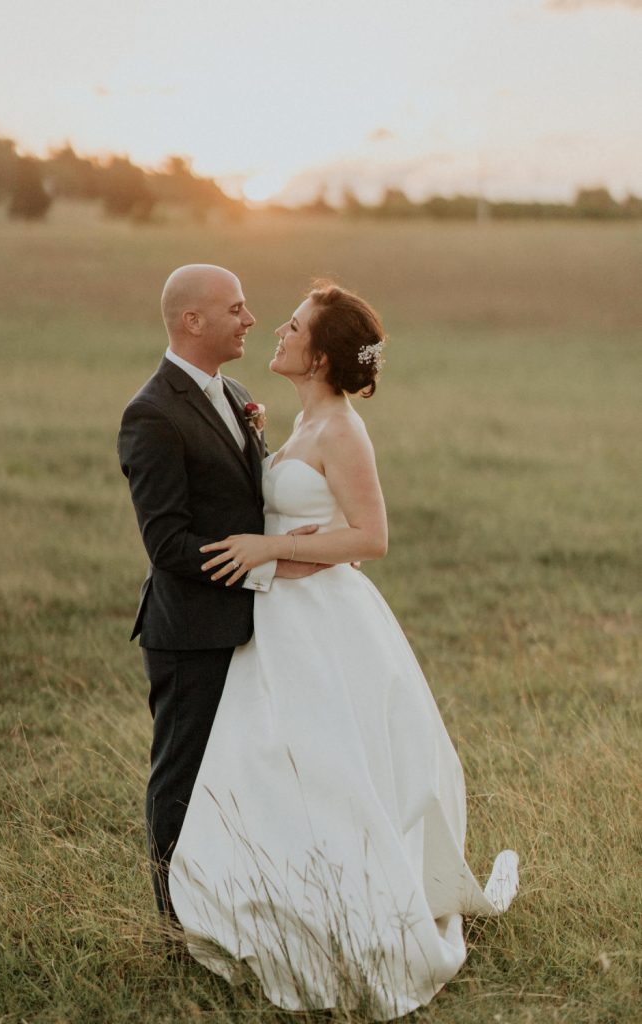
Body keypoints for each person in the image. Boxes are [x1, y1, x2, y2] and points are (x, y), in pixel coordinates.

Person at [168, 282, 519, 1018]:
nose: (277, 330)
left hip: (325, 626)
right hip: (277, 619)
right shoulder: (301, 422)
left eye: (291, 326)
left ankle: (350, 919)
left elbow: (371, 537)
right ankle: (273, 907)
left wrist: (271, 546)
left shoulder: (341, 432)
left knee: (330, 767)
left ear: (319, 355)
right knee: (271, 766)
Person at [118, 264, 321, 919]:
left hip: (244, 623)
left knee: (240, 773)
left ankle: (236, 907)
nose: (251, 319)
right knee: (181, 777)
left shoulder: (235, 393)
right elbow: (168, 547)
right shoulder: (150, 414)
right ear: (192, 322)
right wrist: (266, 565)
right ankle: (175, 923)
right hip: (189, 633)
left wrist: (296, 541)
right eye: (235, 309)